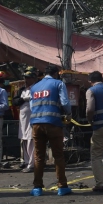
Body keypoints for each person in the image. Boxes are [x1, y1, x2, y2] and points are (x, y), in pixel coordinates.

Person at [29, 65, 72, 197]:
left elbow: (31, 106)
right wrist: (69, 114)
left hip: (36, 123)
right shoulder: (58, 83)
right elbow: (64, 101)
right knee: (58, 155)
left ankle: (37, 187)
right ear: (56, 74)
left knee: (39, 156)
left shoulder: (34, 87)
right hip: (53, 123)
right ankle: (62, 186)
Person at [13, 67, 37, 173]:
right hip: (23, 118)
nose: (26, 80)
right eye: (25, 78)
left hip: (32, 117)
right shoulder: (22, 90)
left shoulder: (36, 88)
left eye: (28, 78)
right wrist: (23, 99)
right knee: (24, 139)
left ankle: (32, 163)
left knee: (31, 140)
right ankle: (26, 162)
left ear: (33, 78)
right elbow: (15, 101)